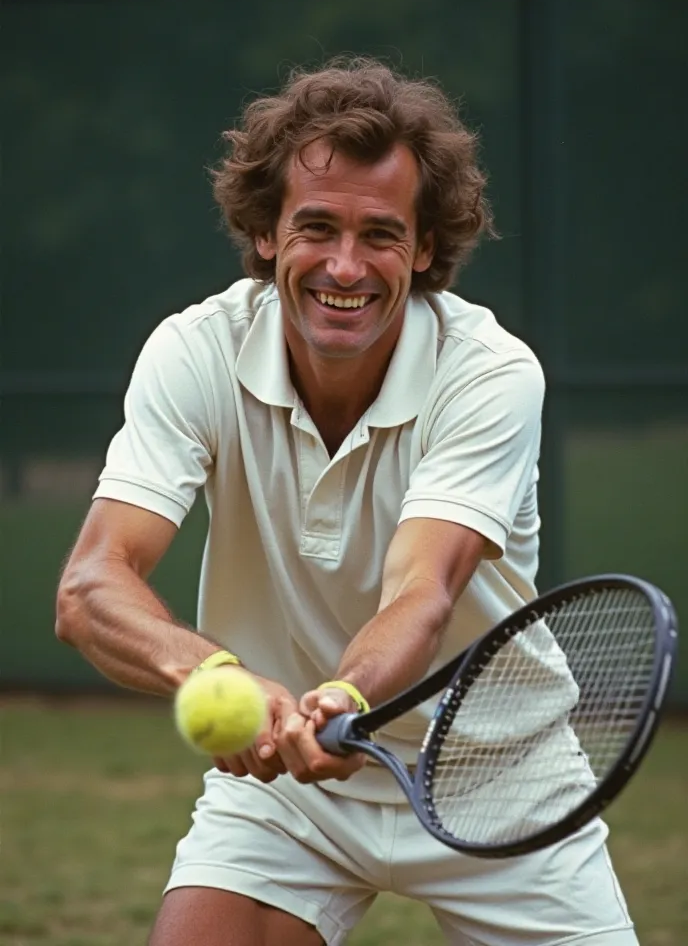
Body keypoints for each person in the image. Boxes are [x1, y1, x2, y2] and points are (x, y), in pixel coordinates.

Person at [56, 57, 637, 946]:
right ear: (265, 234)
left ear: (428, 247)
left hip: (495, 775)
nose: (345, 266)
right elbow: (92, 586)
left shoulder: (490, 373)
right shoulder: (195, 351)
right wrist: (213, 675)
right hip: (287, 797)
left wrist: (343, 697)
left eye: (381, 235)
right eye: (316, 227)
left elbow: (421, 591)